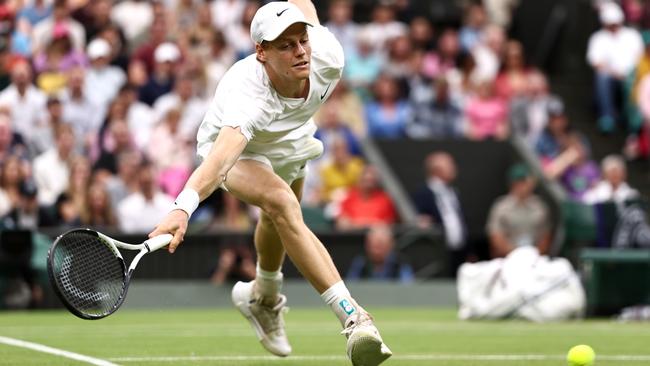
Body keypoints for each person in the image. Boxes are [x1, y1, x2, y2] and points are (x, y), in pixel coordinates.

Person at [148, 2, 392, 365]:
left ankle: (262, 297)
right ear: (261, 52)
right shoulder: (248, 97)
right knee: (282, 204)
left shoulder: (328, 56)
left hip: (289, 138)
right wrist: (182, 207)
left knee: (277, 221)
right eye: (285, 45)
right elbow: (218, 162)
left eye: (302, 40)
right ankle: (354, 317)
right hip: (232, 151)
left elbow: (305, 7)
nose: (299, 51)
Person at [412, 152, 468, 276]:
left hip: (459, 252)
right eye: (450, 165)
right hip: (437, 254)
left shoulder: (453, 192)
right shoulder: (423, 193)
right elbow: (420, 220)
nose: (454, 168)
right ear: (437, 170)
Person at [486, 163, 553, 258]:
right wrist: (517, 255)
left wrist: (534, 254)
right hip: (508, 258)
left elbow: (546, 235)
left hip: (535, 258)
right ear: (516, 183)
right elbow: (496, 237)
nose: (530, 185)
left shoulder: (539, 206)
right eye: (525, 182)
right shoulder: (501, 207)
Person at [347, 224, 414, 282]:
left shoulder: (400, 263)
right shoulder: (360, 263)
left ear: (390, 245)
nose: (376, 250)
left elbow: (407, 287)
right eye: (373, 245)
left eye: (380, 245)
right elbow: (351, 285)